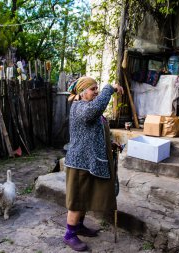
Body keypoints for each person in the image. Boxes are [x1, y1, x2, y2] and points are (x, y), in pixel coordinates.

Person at [63, 76, 124, 251]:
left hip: (88, 160)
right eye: (93, 89)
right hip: (79, 162)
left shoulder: (87, 107)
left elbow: (93, 132)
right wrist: (108, 88)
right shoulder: (80, 107)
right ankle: (69, 235)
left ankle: (79, 226)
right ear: (82, 93)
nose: (96, 92)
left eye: (97, 88)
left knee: (85, 197)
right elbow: (94, 111)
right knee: (77, 200)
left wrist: (109, 143)